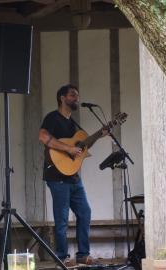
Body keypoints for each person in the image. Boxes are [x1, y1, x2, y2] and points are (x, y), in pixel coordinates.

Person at [39, 84, 107, 266]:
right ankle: (62, 257)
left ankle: (83, 255)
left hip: (73, 177)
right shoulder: (53, 118)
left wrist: (100, 135)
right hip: (56, 176)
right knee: (61, 219)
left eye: (77, 95)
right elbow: (43, 137)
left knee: (85, 212)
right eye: (72, 95)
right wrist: (68, 148)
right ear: (62, 98)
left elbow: (80, 149)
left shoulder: (73, 124)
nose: (76, 98)